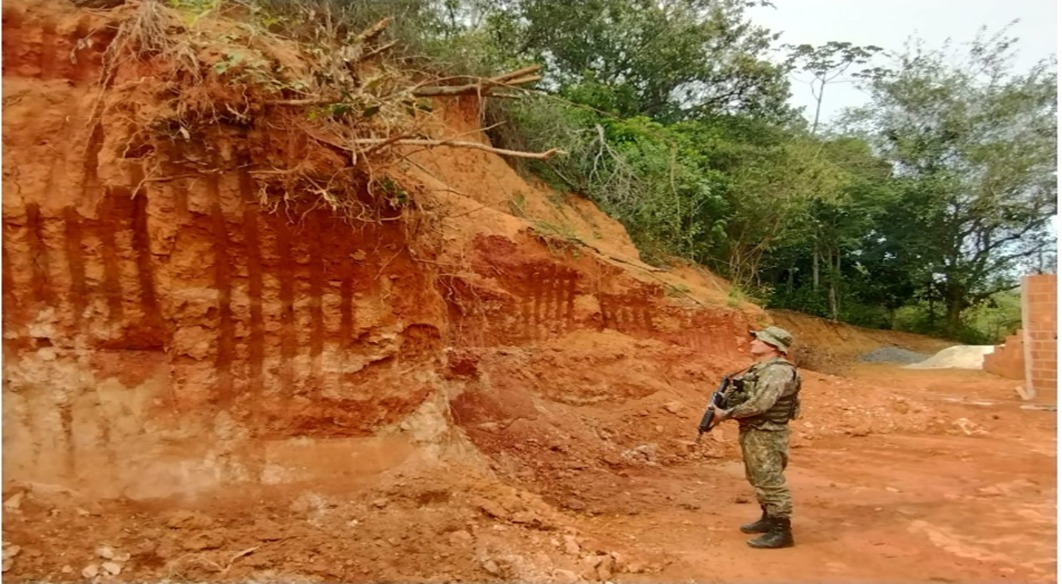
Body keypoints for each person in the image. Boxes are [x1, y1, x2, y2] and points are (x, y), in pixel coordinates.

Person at [710, 326, 801, 549]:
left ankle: (782, 530)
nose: (753, 342)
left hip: (767, 433)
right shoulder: (761, 368)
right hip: (755, 430)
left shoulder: (777, 371)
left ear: (773, 346)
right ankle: (769, 518)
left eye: (759, 339)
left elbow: (762, 403)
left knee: (770, 480)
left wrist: (725, 414)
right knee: (757, 477)